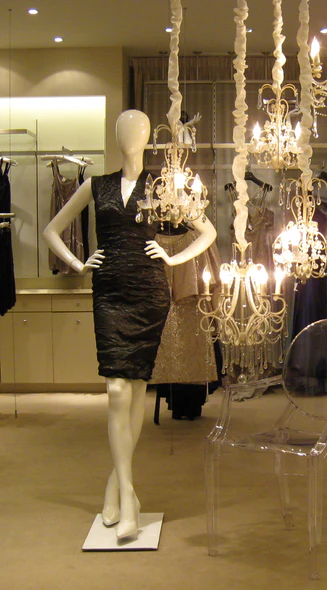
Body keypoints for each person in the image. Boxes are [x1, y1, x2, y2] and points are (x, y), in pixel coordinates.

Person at [43, 110, 217, 540]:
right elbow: (51, 230)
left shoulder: (163, 185)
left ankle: (117, 487)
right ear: (116, 135)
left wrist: (173, 258)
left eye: (137, 130)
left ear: (147, 137)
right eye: (123, 129)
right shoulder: (95, 184)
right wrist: (78, 264)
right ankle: (128, 493)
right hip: (108, 292)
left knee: (135, 388)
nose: (130, 136)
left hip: (148, 292)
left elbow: (207, 231)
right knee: (117, 390)